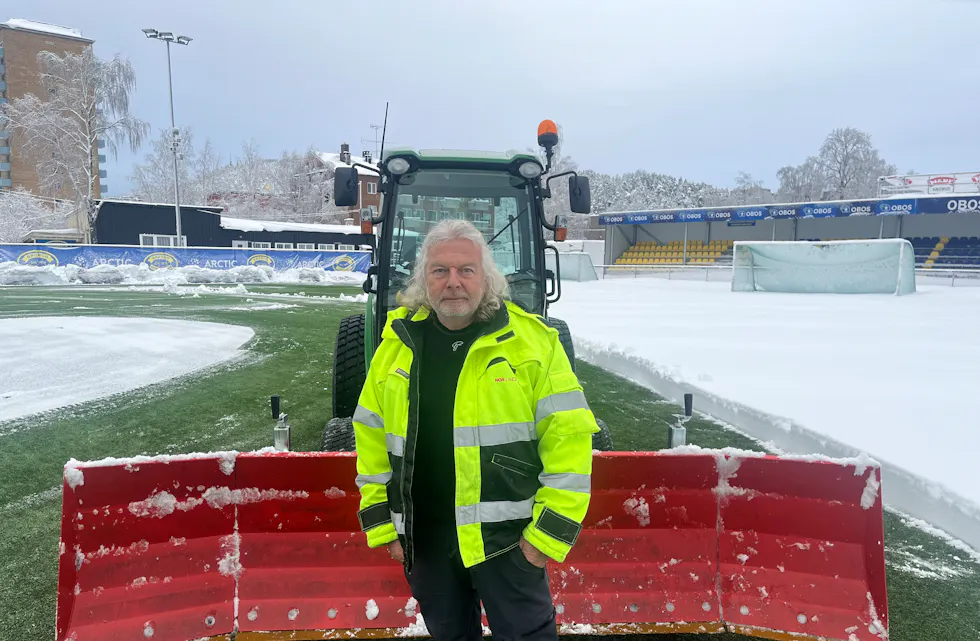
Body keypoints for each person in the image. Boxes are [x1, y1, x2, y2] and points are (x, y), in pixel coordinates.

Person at [352, 218, 599, 641]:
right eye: (440, 270)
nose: (453, 282)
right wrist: (384, 527)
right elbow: (371, 439)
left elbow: (570, 442)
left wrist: (545, 538)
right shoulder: (395, 344)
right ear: (423, 279)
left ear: (487, 277)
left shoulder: (535, 345)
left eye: (466, 270)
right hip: (425, 545)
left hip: (508, 544)